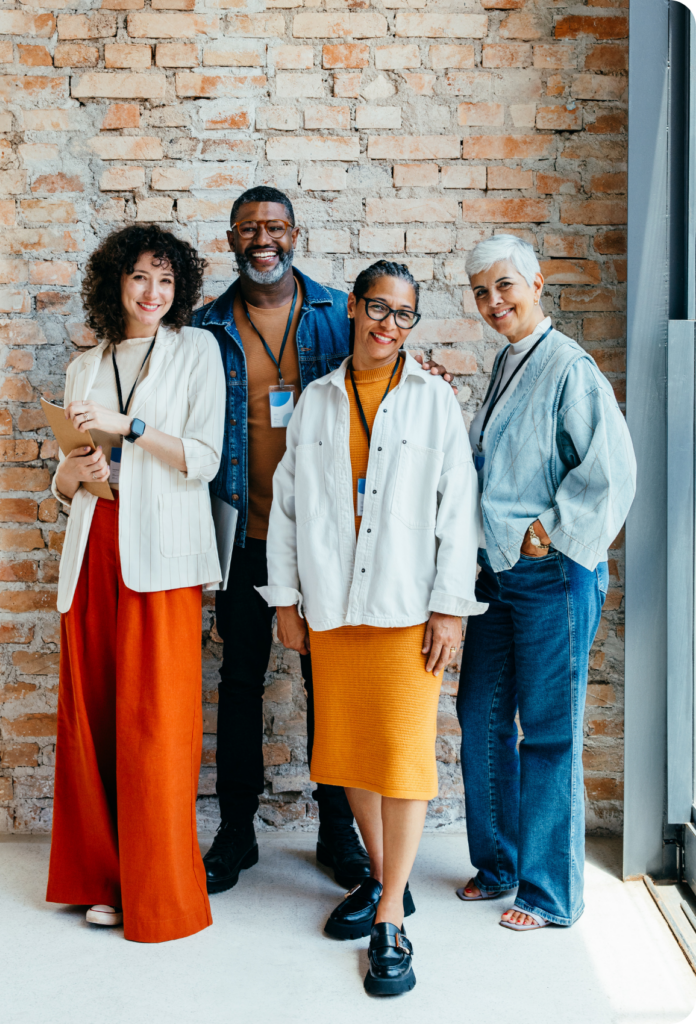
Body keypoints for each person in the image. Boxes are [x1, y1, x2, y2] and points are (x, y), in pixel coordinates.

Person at [191, 187, 454, 895]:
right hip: (246, 533)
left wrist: (427, 373)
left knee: (328, 692)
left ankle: (339, 833)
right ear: (231, 239)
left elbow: (386, 361)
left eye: (274, 227)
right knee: (239, 685)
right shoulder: (206, 325)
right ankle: (235, 832)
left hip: (331, 548)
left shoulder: (339, 311)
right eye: (249, 229)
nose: (262, 240)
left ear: (295, 234)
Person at [258, 260, 486, 995]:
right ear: (353, 309)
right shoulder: (319, 400)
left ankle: (389, 916)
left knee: (404, 758)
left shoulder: (431, 403)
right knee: (352, 755)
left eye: (404, 314)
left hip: (404, 609)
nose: (389, 324)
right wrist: (285, 601)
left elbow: (458, 511)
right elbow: (288, 507)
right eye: (378, 309)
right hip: (333, 607)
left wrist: (451, 606)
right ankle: (392, 880)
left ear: (412, 324)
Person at [46, 224, 226, 943]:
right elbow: (61, 480)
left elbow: (205, 458)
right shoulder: (84, 366)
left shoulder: (198, 352)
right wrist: (76, 474)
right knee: (91, 719)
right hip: (93, 552)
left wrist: (131, 425)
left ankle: (155, 887)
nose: (152, 293)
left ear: (178, 289)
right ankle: (102, 879)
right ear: (114, 285)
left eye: (165, 280)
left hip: (164, 559)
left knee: (156, 727)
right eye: (139, 279)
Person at [456, 234, 636, 932]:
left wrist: (547, 533)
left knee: (550, 732)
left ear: (534, 284)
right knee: (480, 717)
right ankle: (499, 864)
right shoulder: (507, 362)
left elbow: (610, 472)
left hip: (551, 574)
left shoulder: (568, 365)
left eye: (503, 286)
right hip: (498, 574)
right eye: (479, 292)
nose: (492, 301)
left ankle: (549, 892)